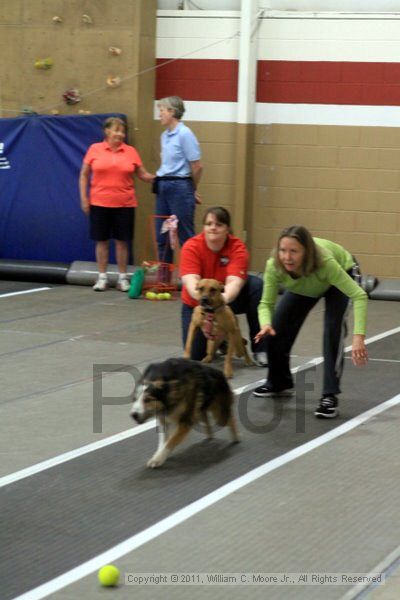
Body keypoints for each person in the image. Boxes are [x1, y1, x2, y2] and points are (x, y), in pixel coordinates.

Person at [253, 225, 368, 418]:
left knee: (332, 329)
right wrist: (265, 324)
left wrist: (359, 337)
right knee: (274, 329)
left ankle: (329, 395)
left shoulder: (325, 263)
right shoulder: (274, 265)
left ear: (306, 252)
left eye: (293, 251)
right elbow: (265, 304)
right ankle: (278, 382)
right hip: (307, 284)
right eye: (283, 250)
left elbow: (359, 296)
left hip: (341, 273)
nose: (287, 257)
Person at [180, 206, 268, 367]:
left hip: (224, 300)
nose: (213, 227)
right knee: (195, 355)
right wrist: (206, 308)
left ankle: (260, 348)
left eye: (219, 224)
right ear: (204, 227)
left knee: (257, 286)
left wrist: (219, 304)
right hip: (197, 304)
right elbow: (191, 282)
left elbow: (234, 282)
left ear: (227, 228)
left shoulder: (237, 248)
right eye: (208, 224)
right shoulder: (191, 247)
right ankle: (222, 340)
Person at [80, 116, 154, 291]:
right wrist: (84, 199)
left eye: (123, 131)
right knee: (102, 241)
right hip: (99, 202)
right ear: (106, 131)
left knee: (122, 242)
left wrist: (163, 178)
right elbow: (83, 175)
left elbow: (143, 175)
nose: (120, 134)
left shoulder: (131, 151)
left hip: (125, 204)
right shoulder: (94, 149)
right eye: (116, 130)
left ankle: (122, 278)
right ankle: (102, 277)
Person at [154, 96, 202, 264]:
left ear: (172, 112)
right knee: (162, 235)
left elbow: (196, 166)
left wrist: (191, 189)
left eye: (162, 110)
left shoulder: (185, 134)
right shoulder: (164, 136)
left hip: (180, 186)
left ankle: (194, 277)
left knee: (185, 234)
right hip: (163, 185)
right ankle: (164, 281)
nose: (159, 114)